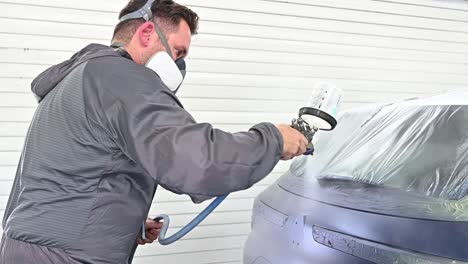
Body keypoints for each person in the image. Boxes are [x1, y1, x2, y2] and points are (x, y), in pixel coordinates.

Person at [0, 0, 308, 263]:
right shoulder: (119, 76)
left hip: (33, 249)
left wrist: (126, 221)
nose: (178, 66)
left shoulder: (83, 78)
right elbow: (195, 162)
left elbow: (74, 177)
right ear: (147, 32)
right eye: (178, 52)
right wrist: (273, 139)